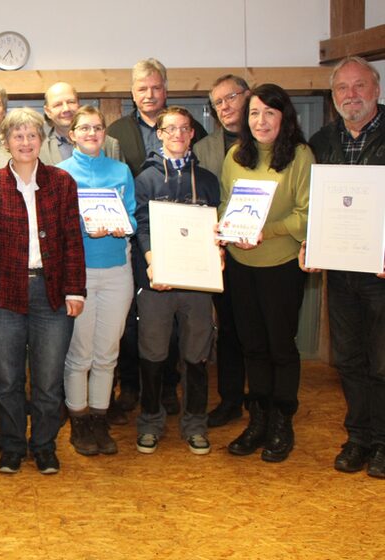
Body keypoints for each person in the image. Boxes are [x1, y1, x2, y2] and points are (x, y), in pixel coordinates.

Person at [0, 108, 86, 475]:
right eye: (18, 136)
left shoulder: (62, 183)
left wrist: (75, 290)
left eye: (33, 135)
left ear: (41, 140)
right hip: (2, 296)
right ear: (5, 141)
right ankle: (13, 445)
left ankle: (44, 446)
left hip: (52, 295)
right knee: (7, 380)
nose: (26, 142)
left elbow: (72, 242)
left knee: (48, 381)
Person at [109, 58, 207, 419]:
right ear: (132, 93)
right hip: (139, 241)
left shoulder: (190, 128)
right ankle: (132, 386)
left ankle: (169, 386)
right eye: (141, 88)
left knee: (178, 322)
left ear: (166, 89)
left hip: (185, 245)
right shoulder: (115, 131)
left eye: (155, 87)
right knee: (137, 321)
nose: (149, 94)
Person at [220, 83, 313, 463]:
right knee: (252, 346)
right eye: (254, 113)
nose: (261, 121)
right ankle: (256, 420)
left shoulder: (301, 156)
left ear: (283, 117)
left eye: (269, 113)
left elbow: (306, 215)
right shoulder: (234, 156)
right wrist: (228, 233)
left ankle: (281, 422)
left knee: (280, 346)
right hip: (242, 267)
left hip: (281, 268)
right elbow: (226, 204)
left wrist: (266, 232)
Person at [304, 56, 385, 478]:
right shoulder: (321, 141)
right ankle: (359, 438)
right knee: (350, 359)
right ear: (334, 97)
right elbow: (313, 203)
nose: (351, 95)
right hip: (340, 270)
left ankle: (384, 441)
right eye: (342, 89)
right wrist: (312, 244)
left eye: (359, 86)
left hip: (381, 271)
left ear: (376, 89)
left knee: (383, 360)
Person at [133, 106, 219, 455]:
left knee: (196, 355)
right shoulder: (146, 179)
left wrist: (219, 251)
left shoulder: (209, 179)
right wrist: (155, 263)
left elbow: (216, 227)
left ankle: (195, 423)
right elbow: (142, 223)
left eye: (184, 129)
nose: (178, 135)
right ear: (160, 134)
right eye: (171, 129)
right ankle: (151, 421)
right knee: (153, 353)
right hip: (157, 281)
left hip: (198, 284)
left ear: (192, 134)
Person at [57, 106, 135, 456]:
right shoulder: (59, 174)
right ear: (71, 133)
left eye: (98, 128)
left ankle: (100, 419)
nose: (91, 133)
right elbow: (55, 225)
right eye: (84, 128)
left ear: (105, 134)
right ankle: (80, 422)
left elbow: (132, 213)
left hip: (117, 270)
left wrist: (123, 225)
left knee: (107, 353)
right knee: (80, 354)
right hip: (79, 273)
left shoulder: (120, 170)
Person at [194, 75, 251, 428]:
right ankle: (231, 400)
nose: (225, 106)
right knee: (228, 330)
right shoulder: (205, 148)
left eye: (231, 97)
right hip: (219, 255)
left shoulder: (269, 138)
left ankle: (263, 401)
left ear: (248, 96)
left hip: (263, 254)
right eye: (218, 102)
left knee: (258, 332)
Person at [40, 82, 122, 165]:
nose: (66, 109)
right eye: (58, 104)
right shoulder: (39, 150)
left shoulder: (110, 145)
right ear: (48, 111)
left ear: (78, 104)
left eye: (71, 102)